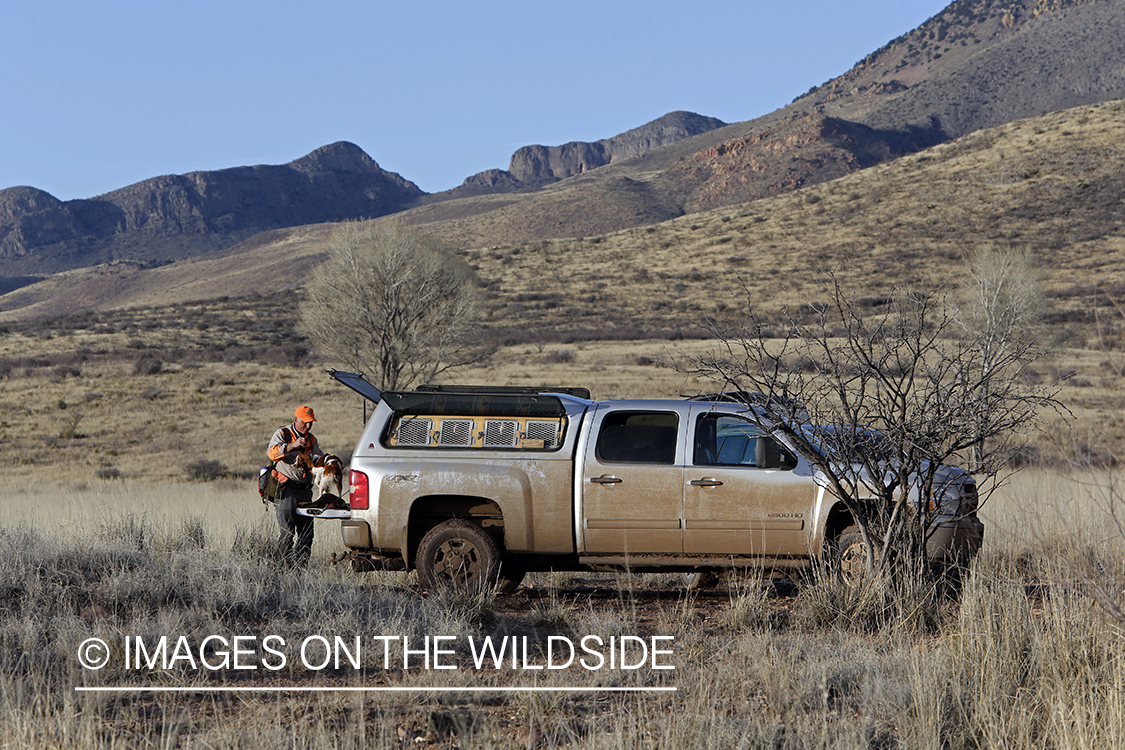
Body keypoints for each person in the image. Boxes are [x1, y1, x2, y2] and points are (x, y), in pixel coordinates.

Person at [267, 405, 326, 566]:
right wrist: (292, 446)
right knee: (287, 533)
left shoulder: (312, 439)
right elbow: (271, 453)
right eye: (305, 422)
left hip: (305, 492)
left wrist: (326, 463)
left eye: (311, 422)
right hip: (286, 490)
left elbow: (318, 458)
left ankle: (300, 571)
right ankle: (281, 570)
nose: (308, 426)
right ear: (295, 420)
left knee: (307, 534)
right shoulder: (283, 433)